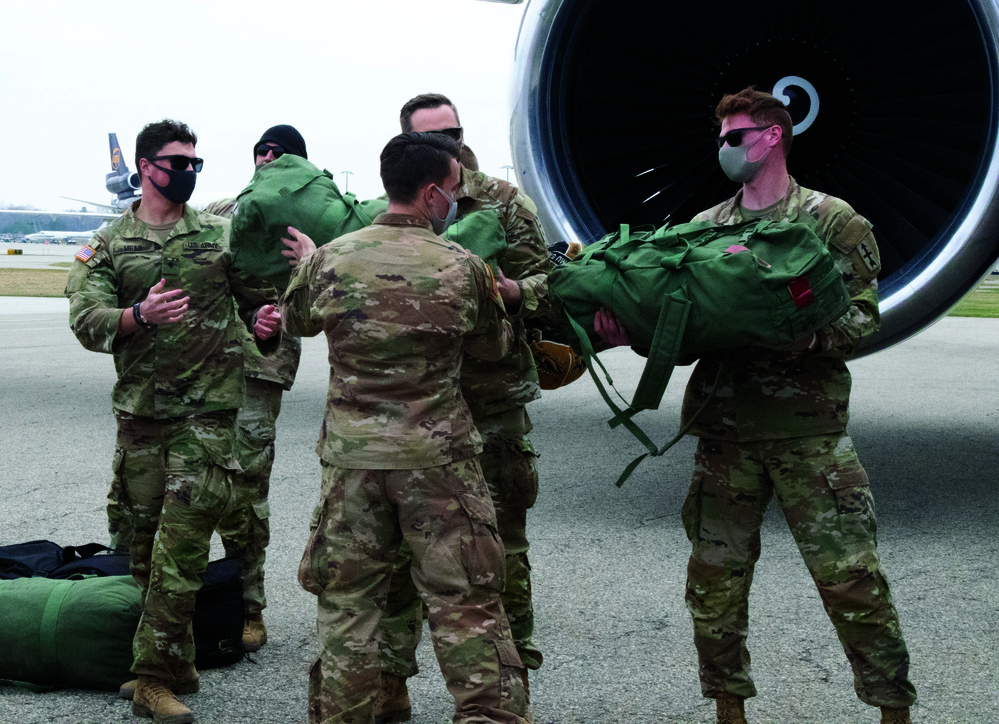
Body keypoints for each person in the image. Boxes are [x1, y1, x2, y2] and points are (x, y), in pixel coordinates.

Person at [597, 87, 917, 724]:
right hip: (724, 436)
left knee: (851, 580)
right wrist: (628, 330)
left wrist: (807, 335)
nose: (725, 149)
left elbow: (864, 318)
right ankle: (728, 711)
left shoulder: (832, 222)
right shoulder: (705, 231)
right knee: (715, 586)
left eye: (735, 136)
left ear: (773, 136)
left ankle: (892, 709)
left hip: (810, 437)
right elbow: (683, 334)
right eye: (721, 138)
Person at [280, 131, 530, 724]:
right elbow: (495, 347)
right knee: (465, 601)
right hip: (437, 464)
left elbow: (293, 320)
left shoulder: (332, 258)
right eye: (451, 189)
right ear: (429, 192)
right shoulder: (462, 266)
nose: (455, 199)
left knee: (349, 607)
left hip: (352, 465)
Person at [66, 119, 281, 724]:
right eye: (176, 161)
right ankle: (178, 657)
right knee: (137, 548)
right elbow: (86, 318)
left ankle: (151, 680)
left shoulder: (219, 235)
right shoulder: (109, 242)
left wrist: (267, 322)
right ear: (145, 168)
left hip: (206, 415)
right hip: (140, 418)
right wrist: (138, 314)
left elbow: (258, 301)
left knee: (180, 551)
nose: (187, 170)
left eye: (195, 161)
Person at [375, 93, 552, 722]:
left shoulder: (502, 203)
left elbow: (550, 280)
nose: (450, 142)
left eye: (454, 130)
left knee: (502, 545)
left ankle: (514, 680)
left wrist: (510, 289)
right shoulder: (390, 213)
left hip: (492, 400)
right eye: (435, 135)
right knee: (399, 554)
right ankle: (390, 683)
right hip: (417, 408)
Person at [203, 124, 308, 653]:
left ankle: (249, 607)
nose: (265, 158)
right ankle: (183, 606)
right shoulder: (223, 211)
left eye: (278, 152)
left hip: (257, 371)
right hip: (205, 366)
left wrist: (279, 317)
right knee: (191, 487)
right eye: (259, 151)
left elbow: (311, 299)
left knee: (246, 495)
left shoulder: (303, 227)